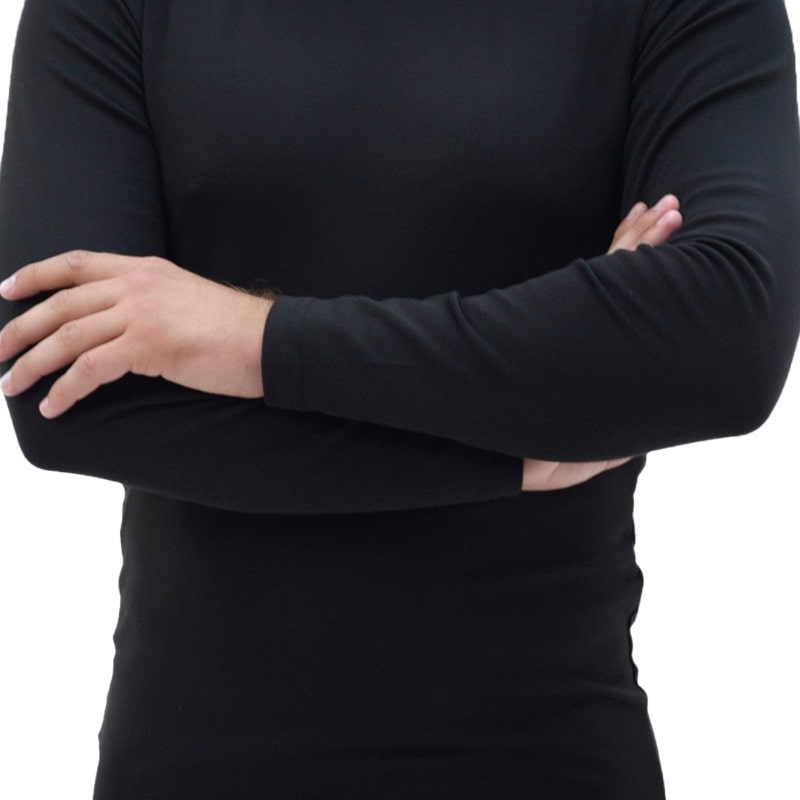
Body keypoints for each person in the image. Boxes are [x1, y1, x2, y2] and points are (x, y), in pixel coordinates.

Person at [0, 1, 798, 798]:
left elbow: (726, 340)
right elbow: (63, 393)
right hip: (192, 765)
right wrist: (521, 445)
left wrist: (253, 340)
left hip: (551, 751)